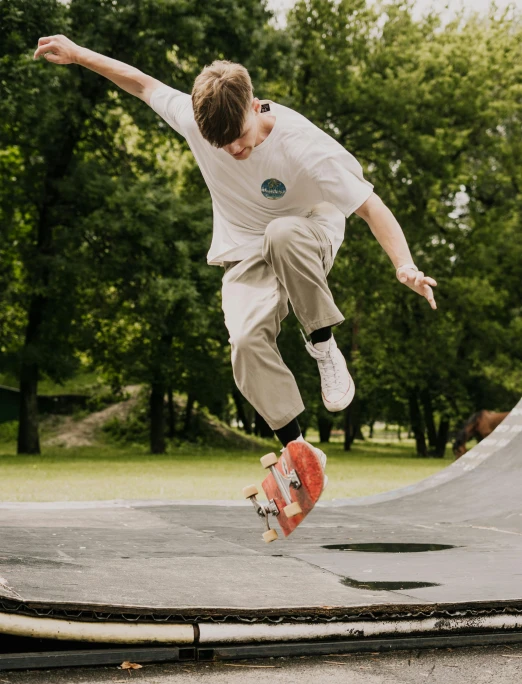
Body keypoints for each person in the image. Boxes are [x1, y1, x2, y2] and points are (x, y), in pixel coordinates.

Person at [33, 35, 437, 478]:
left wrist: (405, 264)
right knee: (244, 343)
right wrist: (77, 54)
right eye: (221, 145)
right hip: (245, 249)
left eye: (240, 140)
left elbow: (370, 206)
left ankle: (322, 344)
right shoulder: (197, 120)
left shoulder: (304, 146)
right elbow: (141, 84)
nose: (234, 151)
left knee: (281, 233)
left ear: (255, 106)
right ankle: (298, 451)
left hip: (309, 234)